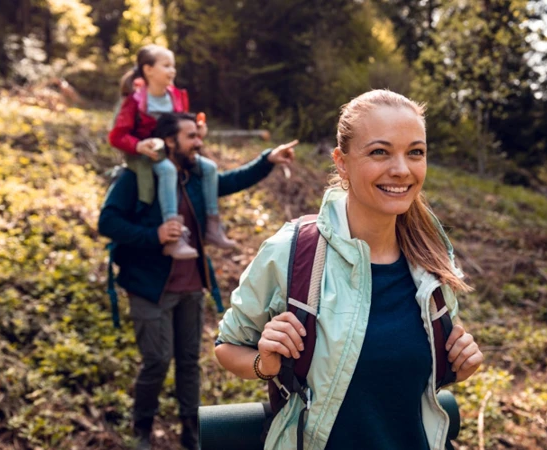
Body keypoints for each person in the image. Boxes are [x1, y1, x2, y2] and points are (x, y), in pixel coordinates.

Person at [214, 89, 484, 450]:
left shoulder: (433, 256)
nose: (401, 169)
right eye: (379, 152)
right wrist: (267, 362)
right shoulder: (293, 252)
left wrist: (456, 367)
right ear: (342, 162)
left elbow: (404, 384)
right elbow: (227, 347)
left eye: (415, 152)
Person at [99, 112, 298, 450]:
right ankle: (142, 429)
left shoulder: (194, 176)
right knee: (157, 360)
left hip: (191, 286)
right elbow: (108, 221)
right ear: (170, 141)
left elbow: (228, 182)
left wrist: (267, 161)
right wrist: (154, 234)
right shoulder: (139, 177)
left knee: (189, 361)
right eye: (191, 136)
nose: (199, 142)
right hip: (149, 287)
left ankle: (191, 433)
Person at [109, 44, 234, 260]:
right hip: (149, 155)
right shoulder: (135, 100)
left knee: (210, 168)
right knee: (167, 170)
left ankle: (212, 226)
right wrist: (139, 146)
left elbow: (184, 125)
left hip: (176, 151)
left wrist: (197, 129)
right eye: (166, 66)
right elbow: (117, 136)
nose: (172, 71)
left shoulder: (176, 96)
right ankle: (173, 234)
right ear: (148, 69)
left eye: (173, 66)